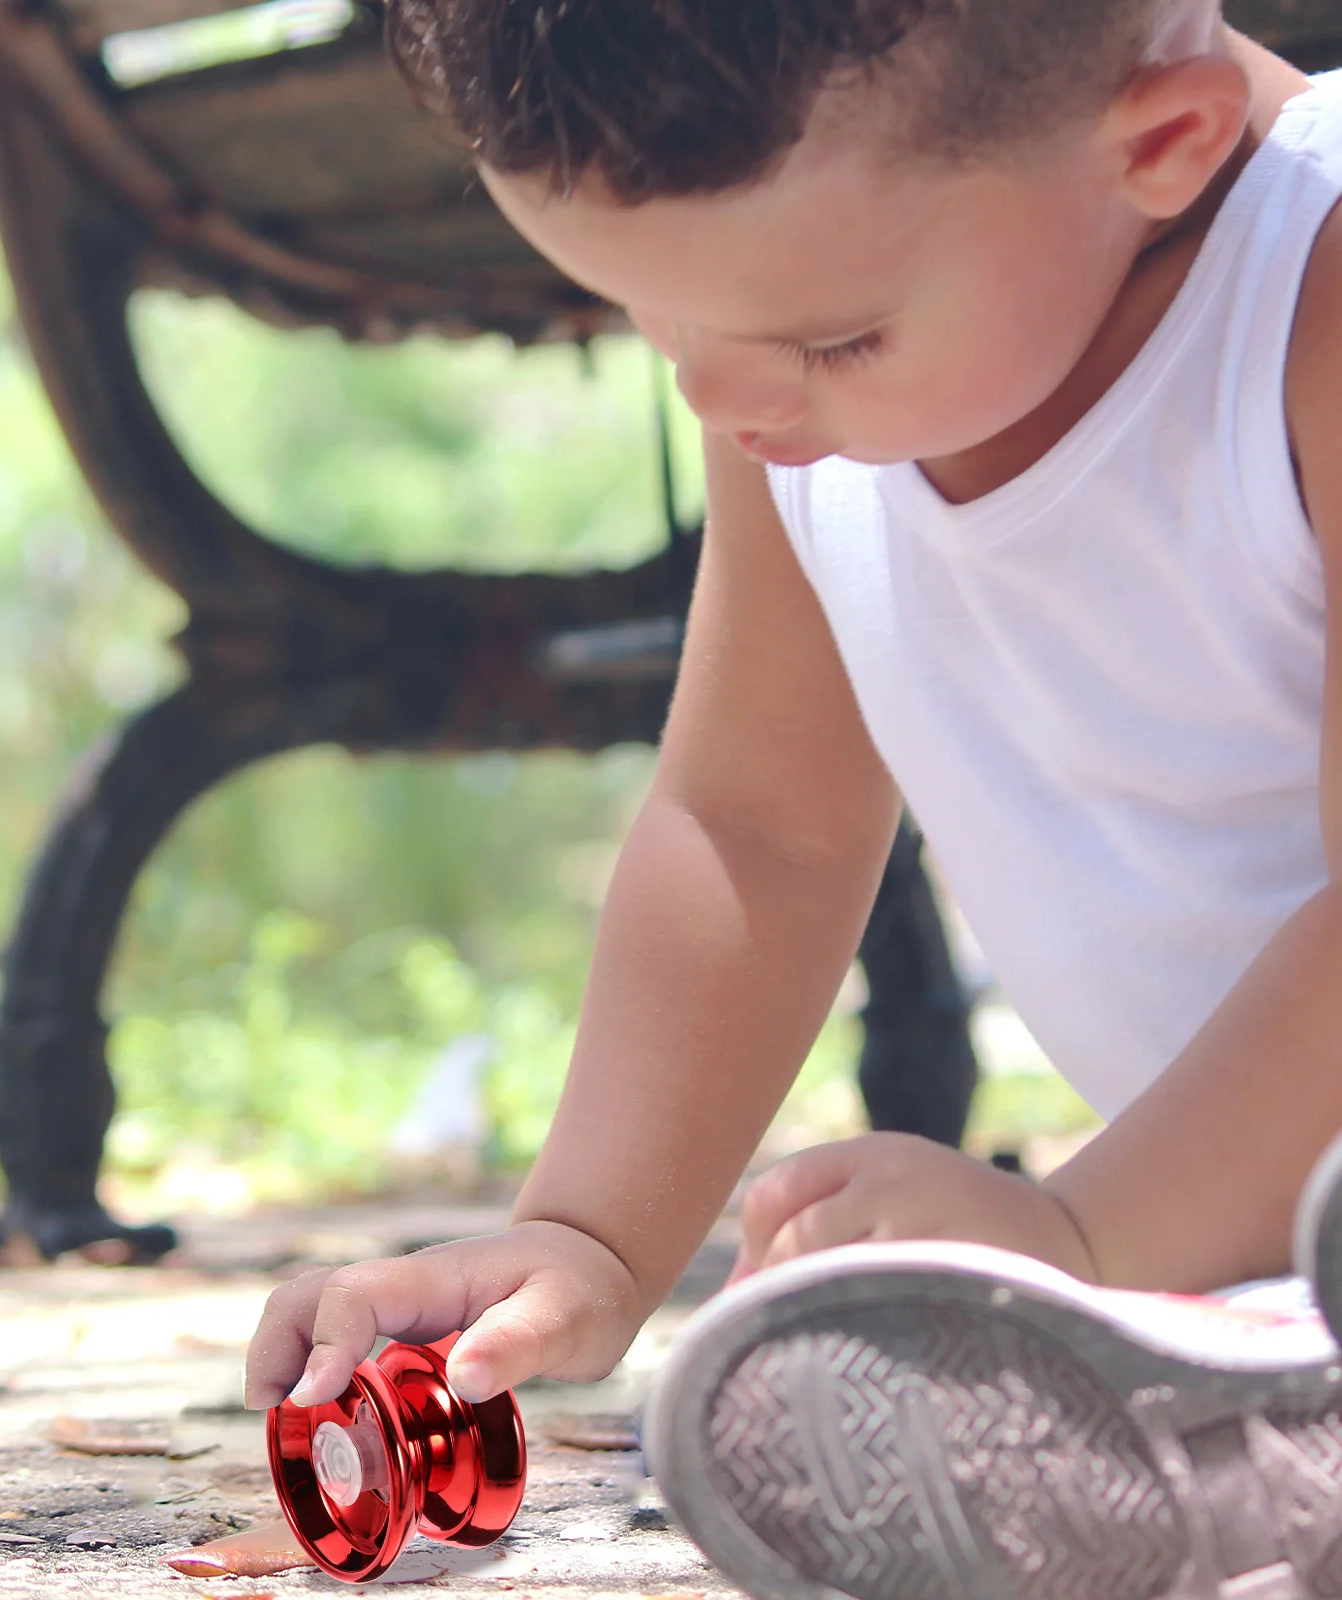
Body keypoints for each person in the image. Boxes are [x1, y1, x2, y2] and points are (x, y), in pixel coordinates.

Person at [245, 2, 1342, 1591]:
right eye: (645, 316)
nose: (720, 402)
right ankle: (1257, 1450)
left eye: (834, 338)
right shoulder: (794, 362)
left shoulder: (1313, 294)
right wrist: (589, 1240)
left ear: (1158, 144)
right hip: (1259, 1231)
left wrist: (1084, 1244)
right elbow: (756, 819)